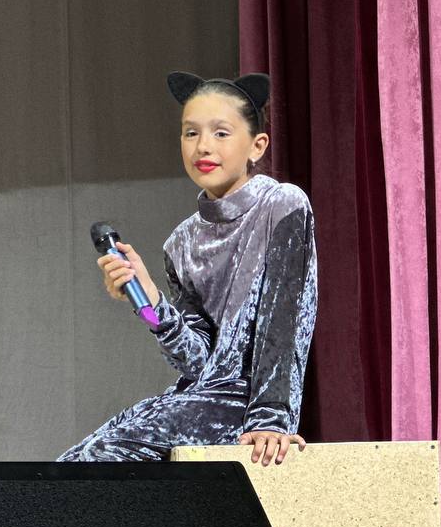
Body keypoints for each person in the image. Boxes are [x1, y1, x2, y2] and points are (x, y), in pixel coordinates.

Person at [60, 71, 317, 467]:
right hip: (200, 396)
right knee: (76, 461)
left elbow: (286, 320)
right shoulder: (181, 242)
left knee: (98, 459)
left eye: (221, 133)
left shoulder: (282, 205)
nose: (203, 146)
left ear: (257, 146)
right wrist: (149, 302)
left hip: (247, 407)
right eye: (191, 133)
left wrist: (271, 419)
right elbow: (196, 362)